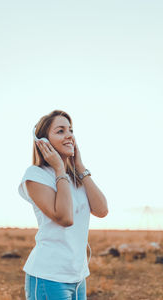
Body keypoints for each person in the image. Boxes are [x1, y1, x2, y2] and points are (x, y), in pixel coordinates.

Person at [18, 110, 108, 300]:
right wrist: (59, 168)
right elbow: (65, 218)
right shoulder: (36, 175)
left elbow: (102, 210)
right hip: (49, 277)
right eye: (60, 131)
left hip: (78, 276)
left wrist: (80, 168)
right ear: (43, 142)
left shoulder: (76, 177)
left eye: (71, 130)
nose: (69, 136)